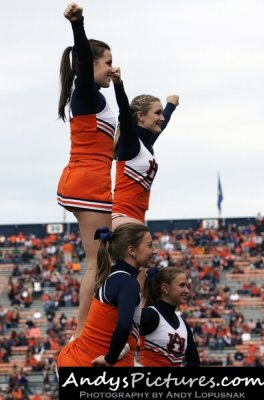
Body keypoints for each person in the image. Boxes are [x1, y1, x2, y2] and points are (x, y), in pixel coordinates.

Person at [56, 3, 119, 336]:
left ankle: (101, 324)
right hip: (86, 185)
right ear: (90, 65)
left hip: (89, 181)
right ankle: (83, 334)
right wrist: (78, 25)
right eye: (107, 62)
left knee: (111, 256)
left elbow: (113, 147)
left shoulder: (97, 99)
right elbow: (81, 58)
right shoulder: (86, 93)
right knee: (98, 264)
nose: (113, 68)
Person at [57, 223, 156, 367]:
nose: (155, 251)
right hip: (87, 363)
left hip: (76, 359)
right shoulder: (127, 282)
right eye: (150, 246)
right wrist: (110, 358)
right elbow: (123, 326)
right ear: (132, 251)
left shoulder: (114, 275)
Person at [111, 71, 179, 229]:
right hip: (123, 216)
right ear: (140, 117)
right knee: (146, 249)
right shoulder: (130, 143)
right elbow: (124, 113)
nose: (161, 118)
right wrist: (118, 83)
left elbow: (165, 121)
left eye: (162, 113)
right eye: (157, 113)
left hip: (136, 218)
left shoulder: (145, 144)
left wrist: (171, 105)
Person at [139, 266, 200, 367]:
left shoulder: (184, 325)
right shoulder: (150, 315)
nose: (187, 291)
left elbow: (194, 361)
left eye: (187, 286)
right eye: (182, 285)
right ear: (165, 288)